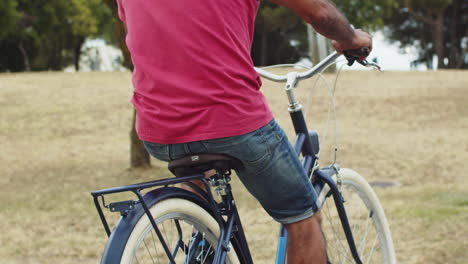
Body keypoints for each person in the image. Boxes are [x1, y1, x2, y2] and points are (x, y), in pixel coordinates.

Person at [115, 0, 372, 262]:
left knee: (202, 199)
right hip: (233, 121)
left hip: (160, 129)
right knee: (303, 217)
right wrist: (352, 38)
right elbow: (320, 13)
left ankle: (202, 230)